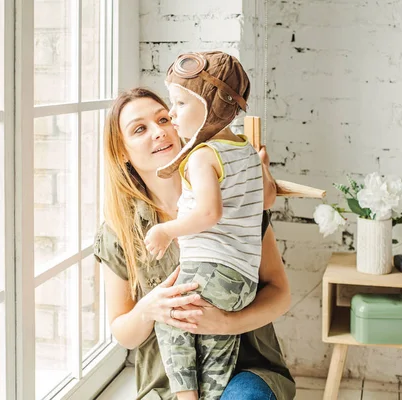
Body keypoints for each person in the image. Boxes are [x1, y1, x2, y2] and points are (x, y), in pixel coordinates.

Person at [94, 86, 295, 400]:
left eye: (164, 119)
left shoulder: (237, 201)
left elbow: (280, 294)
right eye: (140, 129)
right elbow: (124, 334)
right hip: (168, 382)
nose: (159, 132)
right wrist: (149, 309)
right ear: (122, 151)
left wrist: (227, 323)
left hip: (244, 369)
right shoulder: (119, 230)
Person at [143, 51, 262, 400]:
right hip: (243, 280)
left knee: (169, 319)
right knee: (213, 348)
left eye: (180, 103)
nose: (172, 112)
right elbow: (266, 196)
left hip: (212, 268)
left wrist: (167, 230)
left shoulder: (201, 156)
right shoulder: (246, 150)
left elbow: (210, 213)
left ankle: (184, 398)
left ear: (212, 107)